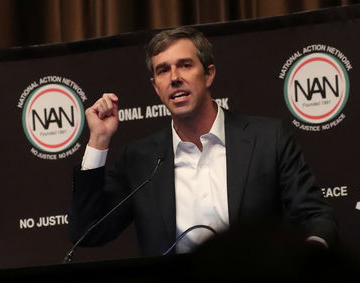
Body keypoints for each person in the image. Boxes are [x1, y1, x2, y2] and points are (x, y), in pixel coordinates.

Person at [69, 26, 338, 257]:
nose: (175, 78)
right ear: (155, 87)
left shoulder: (267, 138)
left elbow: (316, 217)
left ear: (208, 74)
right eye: (163, 71)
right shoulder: (139, 160)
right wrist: (98, 140)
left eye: (185, 65)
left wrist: (308, 260)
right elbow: (87, 232)